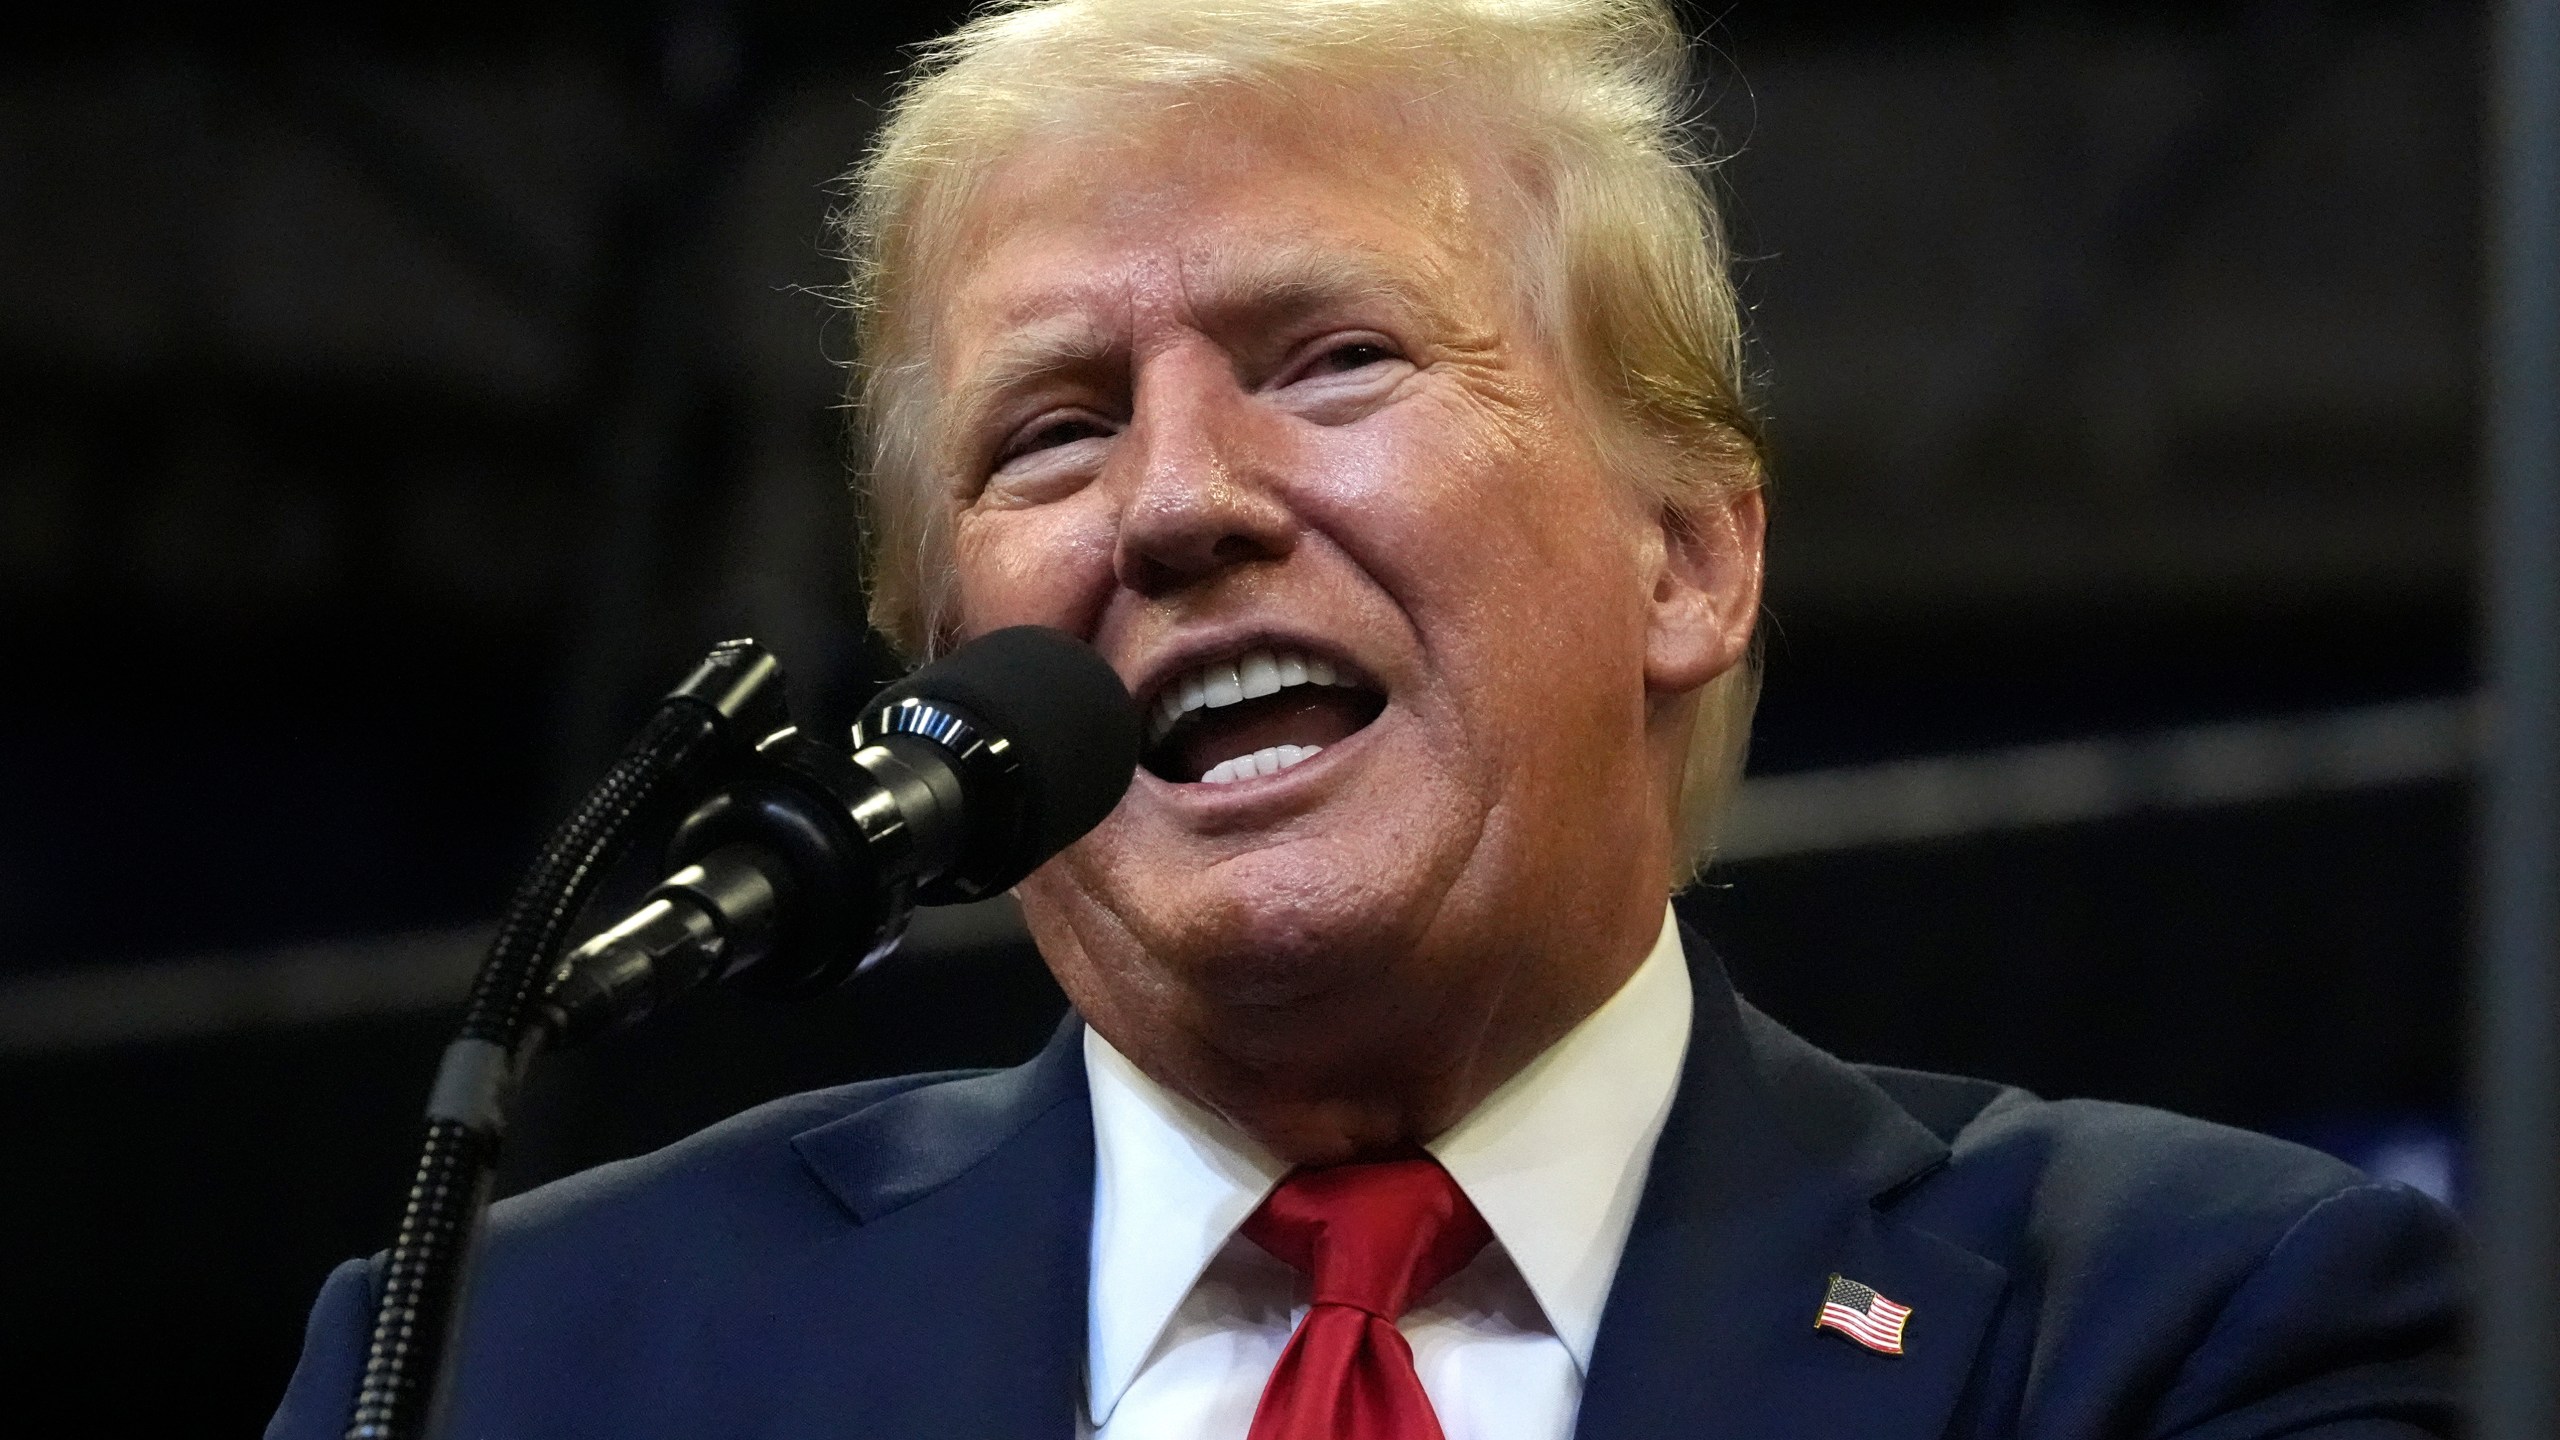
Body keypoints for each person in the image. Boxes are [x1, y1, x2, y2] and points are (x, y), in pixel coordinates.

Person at [268, 1, 2460, 1436]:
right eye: (1046, 432)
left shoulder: (2194, 1330)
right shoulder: (517, 1367)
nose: (1178, 502)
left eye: (1330, 360)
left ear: (1684, 558)